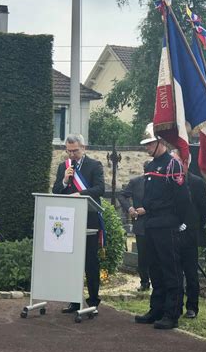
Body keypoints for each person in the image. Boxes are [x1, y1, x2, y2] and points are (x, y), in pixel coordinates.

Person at [134, 124, 190, 330]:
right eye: (146, 144)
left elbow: (182, 197)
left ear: (160, 142)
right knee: (154, 268)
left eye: (150, 144)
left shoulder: (172, 165)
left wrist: (179, 221)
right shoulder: (151, 166)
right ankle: (156, 308)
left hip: (167, 224)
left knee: (171, 269)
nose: (147, 148)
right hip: (151, 223)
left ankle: (172, 312)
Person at [52, 134, 105, 313]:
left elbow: (100, 189)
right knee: (71, 262)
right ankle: (74, 300)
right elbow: (56, 191)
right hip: (68, 220)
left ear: (84, 148)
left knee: (90, 262)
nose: (72, 154)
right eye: (69, 151)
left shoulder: (94, 166)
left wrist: (80, 195)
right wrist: (65, 180)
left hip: (89, 219)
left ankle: (93, 302)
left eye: (75, 150)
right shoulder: (63, 167)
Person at [179, 163, 206, 319]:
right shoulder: (170, 180)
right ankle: (175, 304)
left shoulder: (197, 182)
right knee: (174, 272)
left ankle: (192, 307)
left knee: (191, 273)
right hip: (173, 232)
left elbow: (205, 209)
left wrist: (194, 224)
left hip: (190, 235)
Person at [117, 162, 151, 292]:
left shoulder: (161, 183)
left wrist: (147, 209)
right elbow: (122, 195)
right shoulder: (136, 182)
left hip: (157, 223)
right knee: (142, 255)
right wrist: (130, 208)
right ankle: (144, 282)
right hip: (141, 224)